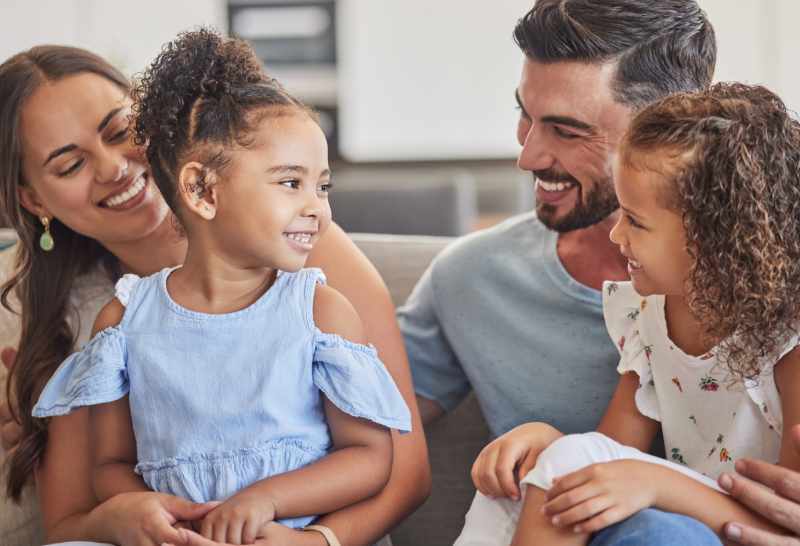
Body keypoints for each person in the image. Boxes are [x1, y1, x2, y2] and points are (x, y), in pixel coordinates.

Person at [0, 41, 428, 546]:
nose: (114, 167)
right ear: (32, 199)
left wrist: (313, 541)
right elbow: (73, 517)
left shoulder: (306, 262)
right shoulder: (91, 321)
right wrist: (124, 513)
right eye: (70, 165)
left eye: (121, 132)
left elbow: (401, 469)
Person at [398, 0, 717, 542]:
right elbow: (334, 417)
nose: (528, 155)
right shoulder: (472, 279)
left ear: (670, 128)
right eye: (526, 115)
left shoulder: (771, 286)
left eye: (566, 131)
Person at [457, 82, 800, 545]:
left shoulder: (787, 342)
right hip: (683, 523)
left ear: (718, 239)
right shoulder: (650, 314)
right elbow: (612, 455)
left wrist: (653, 482)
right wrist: (548, 441)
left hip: (745, 529)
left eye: (635, 221)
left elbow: (783, 522)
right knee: (538, 476)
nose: (617, 236)